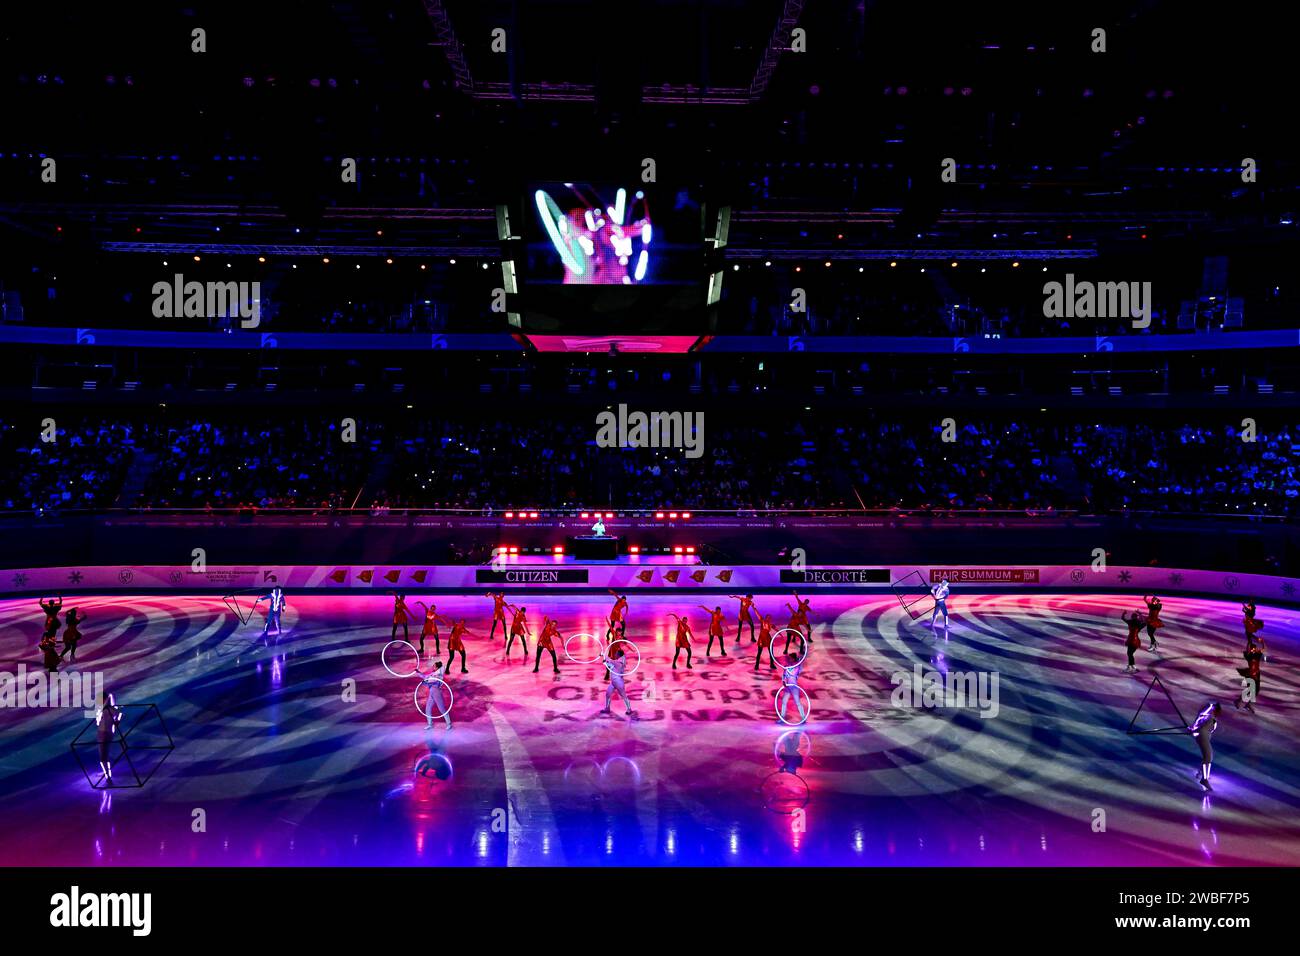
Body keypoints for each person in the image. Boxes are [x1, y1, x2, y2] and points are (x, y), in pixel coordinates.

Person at [1188, 701, 1221, 792]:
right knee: (1208, 757)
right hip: (1203, 736)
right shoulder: (1210, 718)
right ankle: (1204, 779)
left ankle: (1201, 773)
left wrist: (1192, 729)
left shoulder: (1205, 716)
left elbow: (1198, 723)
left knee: (1207, 756)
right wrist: (1193, 730)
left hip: (1202, 736)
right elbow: (1201, 728)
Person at [600, 645, 635, 718]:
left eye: (616, 653)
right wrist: (605, 663)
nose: (615, 654)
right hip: (613, 682)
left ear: (619, 655)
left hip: (618, 682)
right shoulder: (618, 662)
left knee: (623, 695)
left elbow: (610, 661)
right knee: (608, 694)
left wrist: (603, 655)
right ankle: (607, 708)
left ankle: (629, 709)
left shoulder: (619, 663)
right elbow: (611, 667)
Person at [417, 660, 452, 731]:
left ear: (437, 667)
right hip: (431, 692)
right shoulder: (433, 674)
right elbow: (425, 677)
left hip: (437, 693)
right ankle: (430, 724)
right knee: (428, 709)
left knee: (442, 709)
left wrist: (425, 681)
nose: (433, 666)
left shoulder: (439, 675)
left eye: (434, 666)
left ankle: (449, 724)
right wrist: (418, 672)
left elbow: (432, 681)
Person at [96, 692, 123, 783]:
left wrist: (109, 697)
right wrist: (117, 721)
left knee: (103, 756)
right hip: (108, 733)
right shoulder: (111, 709)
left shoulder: (104, 709)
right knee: (104, 755)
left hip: (103, 733)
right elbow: (119, 714)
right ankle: (107, 773)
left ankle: (108, 776)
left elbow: (119, 714)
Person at [776, 650, 807, 724]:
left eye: (790, 658)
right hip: (788, 687)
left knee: (797, 702)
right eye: (789, 658)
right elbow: (784, 675)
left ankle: (803, 718)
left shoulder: (797, 666)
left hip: (794, 687)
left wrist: (801, 657)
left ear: (793, 659)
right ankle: (782, 718)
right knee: (784, 701)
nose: (789, 659)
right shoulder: (786, 667)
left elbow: (801, 661)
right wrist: (783, 681)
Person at [1236, 636, 1263, 714]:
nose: (1254, 649)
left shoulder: (1257, 655)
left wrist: (1262, 642)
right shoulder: (1249, 656)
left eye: (1255, 648)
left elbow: (1264, 649)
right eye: (1252, 649)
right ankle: (1240, 701)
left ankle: (1247, 704)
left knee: (1256, 690)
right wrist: (1249, 642)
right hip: (1250, 674)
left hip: (1257, 674)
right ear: (1250, 649)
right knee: (1250, 689)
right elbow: (1247, 649)